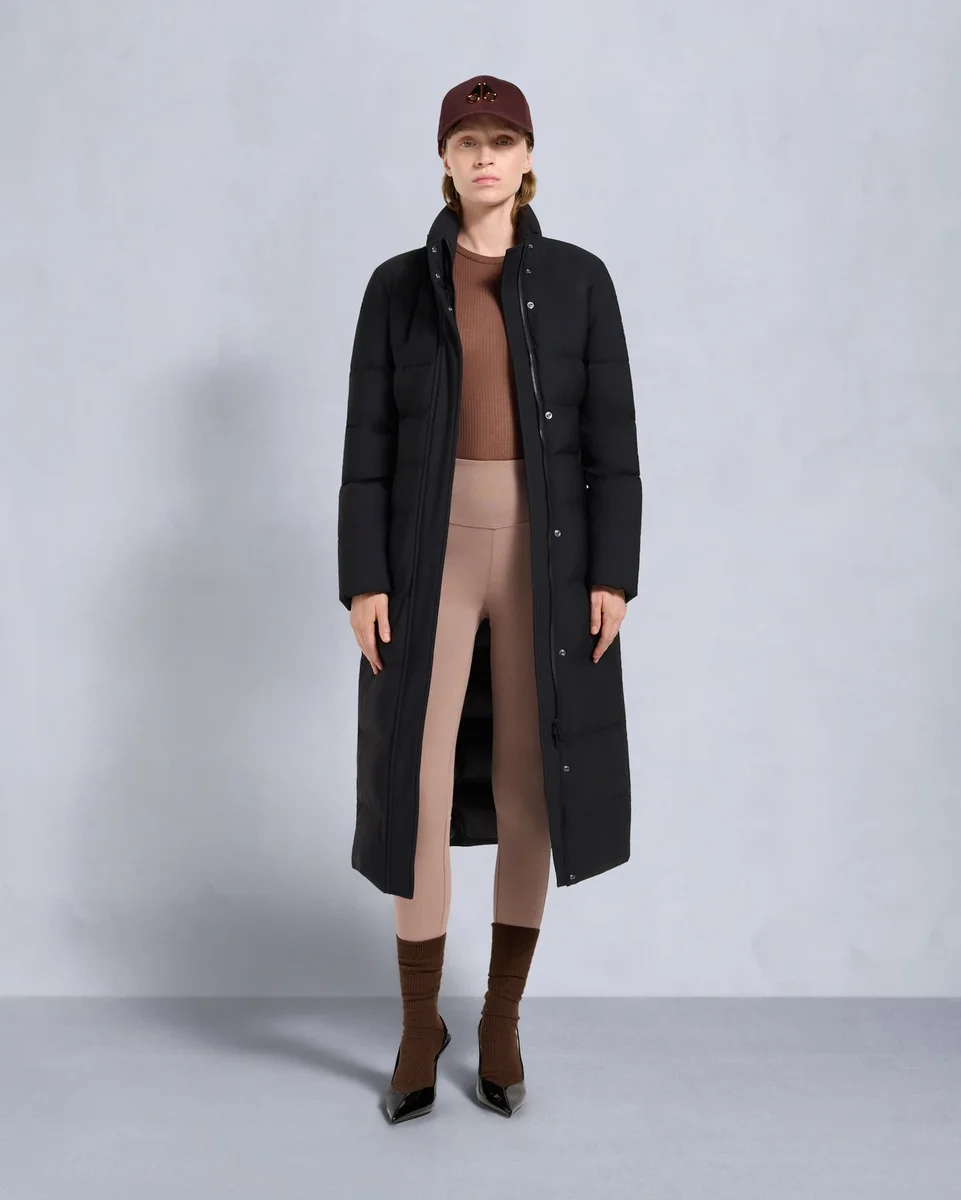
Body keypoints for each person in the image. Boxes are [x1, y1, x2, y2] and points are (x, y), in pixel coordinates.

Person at [337, 74, 642, 1122]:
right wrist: (363, 578)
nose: (483, 157)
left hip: (545, 559)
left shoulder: (579, 281)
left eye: (500, 140)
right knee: (415, 790)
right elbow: (366, 447)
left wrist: (612, 574)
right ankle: (419, 1025)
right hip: (427, 559)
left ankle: (500, 1021)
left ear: (527, 157)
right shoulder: (394, 289)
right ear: (443, 158)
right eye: (466, 140)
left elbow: (612, 444)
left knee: (528, 786)